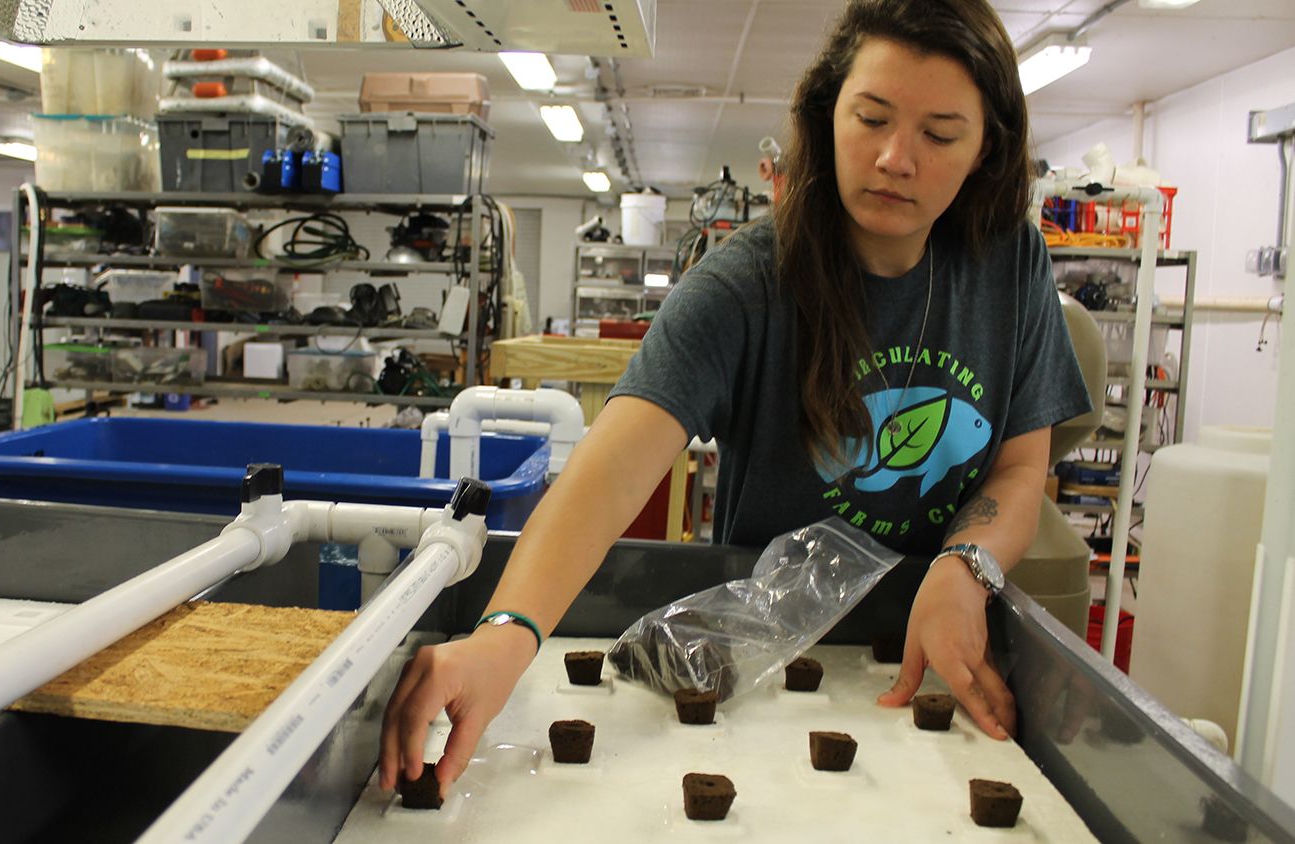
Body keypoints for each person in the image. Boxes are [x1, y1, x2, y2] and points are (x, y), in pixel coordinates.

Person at [381, 0, 1093, 796]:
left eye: (940, 134)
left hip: (941, 635)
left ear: (985, 149)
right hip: (773, 654)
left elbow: (1022, 466)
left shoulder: (1009, 265)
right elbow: (610, 476)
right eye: (872, 117)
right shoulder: (745, 286)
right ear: (828, 116)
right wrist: (504, 635)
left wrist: (967, 568)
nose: (896, 157)